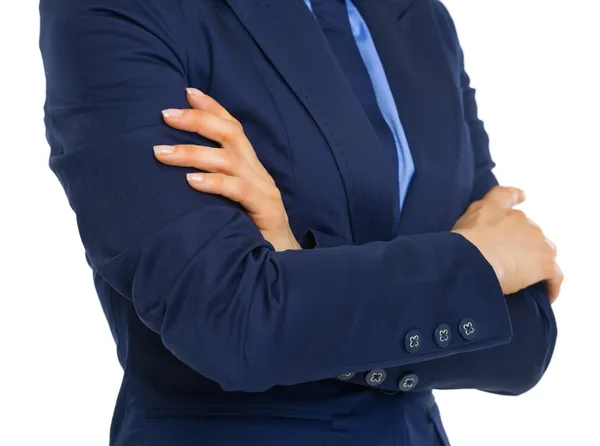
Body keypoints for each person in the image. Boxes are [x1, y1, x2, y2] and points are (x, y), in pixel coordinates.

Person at [39, 0, 560, 444]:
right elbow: (227, 320)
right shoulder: (121, 11)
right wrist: (475, 268)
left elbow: (524, 338)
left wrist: (294, 263)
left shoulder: (418, 15)